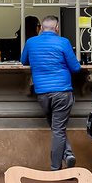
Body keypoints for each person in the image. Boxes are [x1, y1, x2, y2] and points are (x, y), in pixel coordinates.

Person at [20, 15, 82, 171]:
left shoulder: (31, 42)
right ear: (57, 28)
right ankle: (55, 168)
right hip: (62, 91)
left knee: (56, 128)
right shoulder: (63, 42)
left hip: (42, 93)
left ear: (41, 28)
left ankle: (68, 154)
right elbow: (76, 68)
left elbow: (23, 61)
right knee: (58, 130)